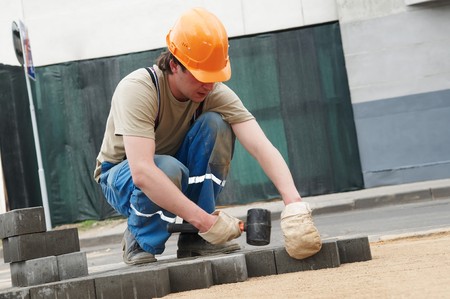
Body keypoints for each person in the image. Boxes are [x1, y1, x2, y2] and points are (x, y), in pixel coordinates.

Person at [93, 7, 321, 265]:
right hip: (121, 178)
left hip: (172, 170)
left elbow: (260, 145)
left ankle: (196, 240)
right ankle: (139, 236)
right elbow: (143, 172)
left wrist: (294, 203)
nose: (209, 86)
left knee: (217, 125)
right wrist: (207, 222)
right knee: (166, 167)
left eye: (215, 77)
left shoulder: (212, 93)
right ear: (174, 64)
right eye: (202, 77)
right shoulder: (139, 89)